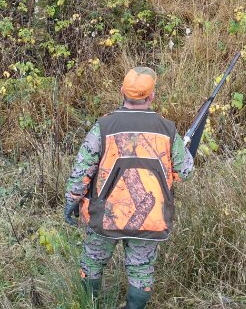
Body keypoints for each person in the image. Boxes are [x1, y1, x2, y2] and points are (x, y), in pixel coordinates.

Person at [64, 66, 194, 309]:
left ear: (121, 91)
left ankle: (89, 304)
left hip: (105, 215)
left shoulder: (104, 126)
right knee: (141, 270)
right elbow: (184, 171)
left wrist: (72, 198)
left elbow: (82, 169)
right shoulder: (167, 130)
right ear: (152, 96)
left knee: (92, 262)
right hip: (150, 219)